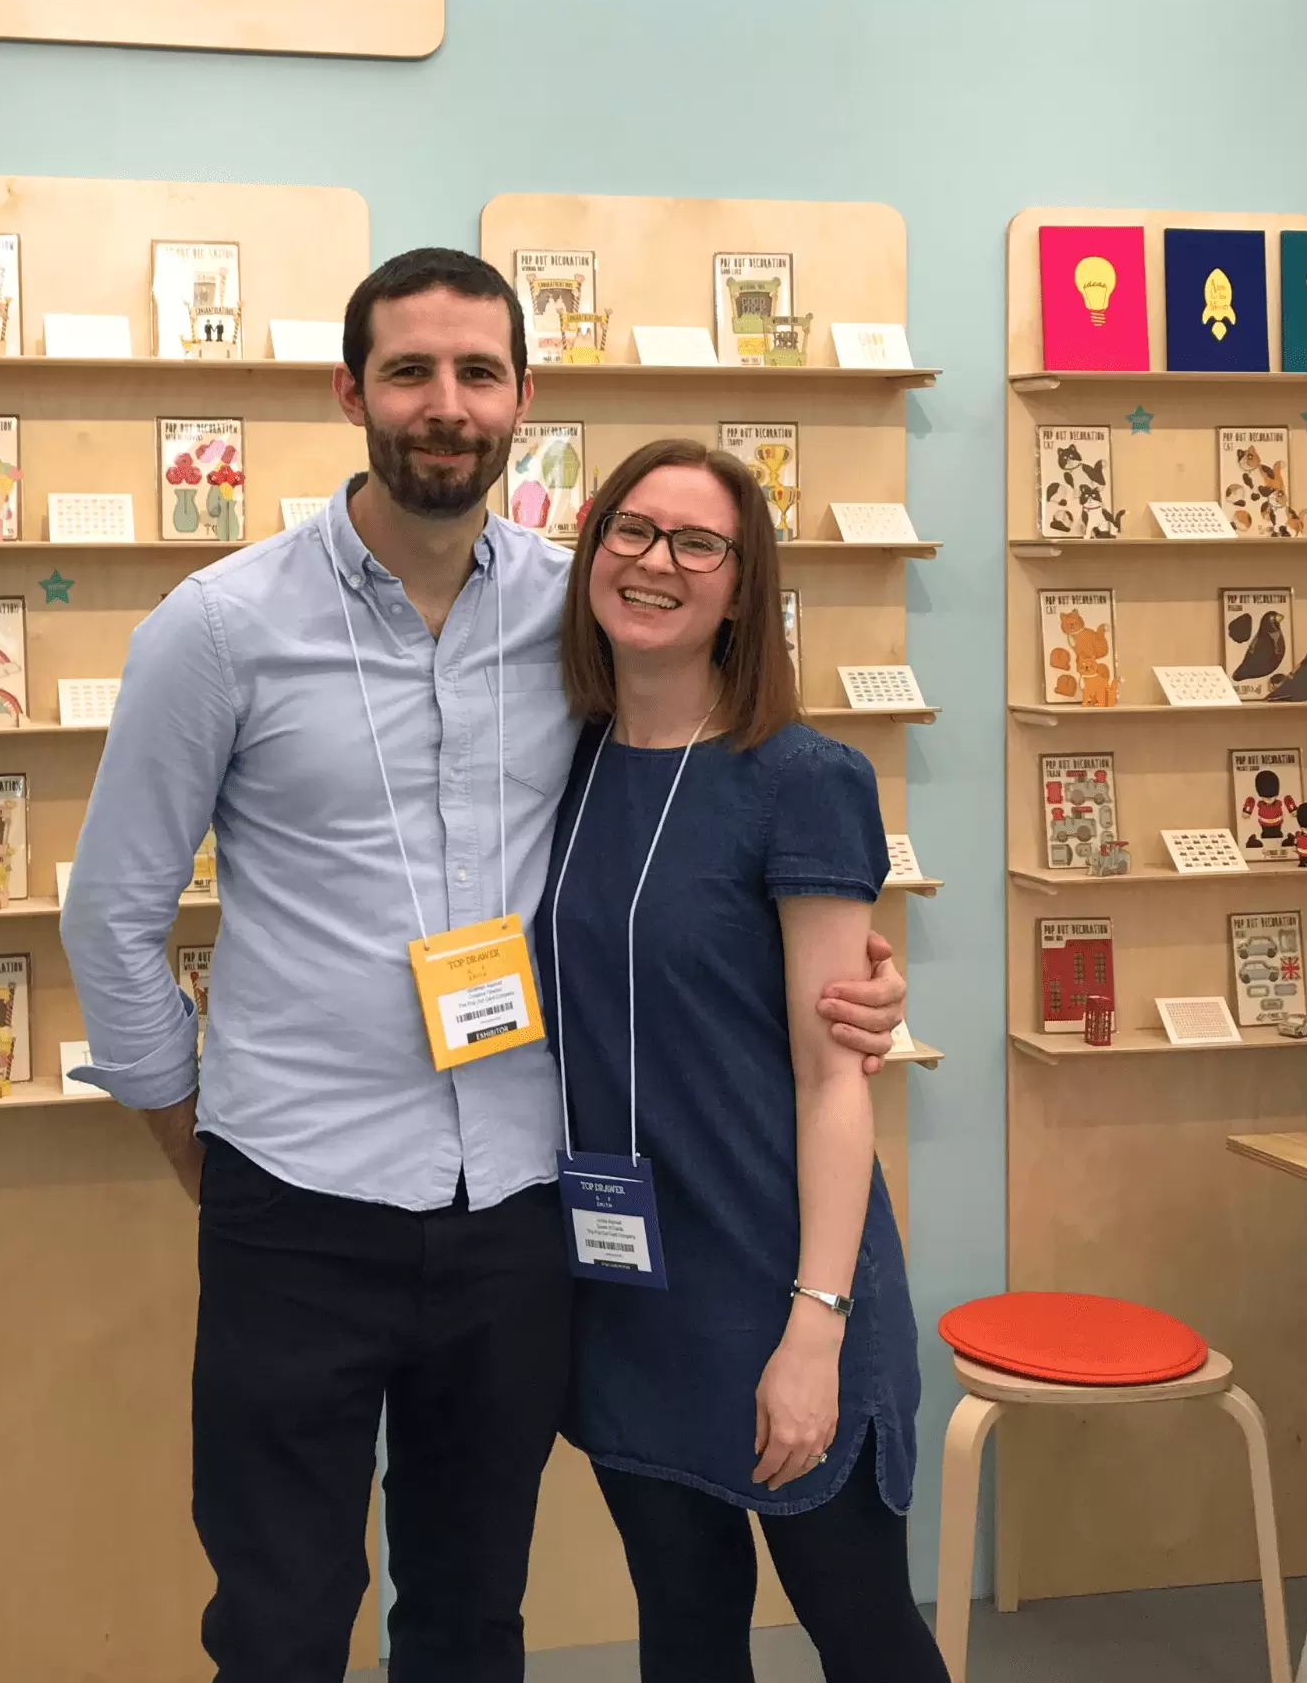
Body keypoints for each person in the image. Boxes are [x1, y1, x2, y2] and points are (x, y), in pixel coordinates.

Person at [61, 249, 910, 1683]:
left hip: (519, 1207)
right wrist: (185, 1131)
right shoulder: (218, 628)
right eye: (409, 371)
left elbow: (701, 810)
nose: (444, 405)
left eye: (476, 373)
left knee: (469, 1615)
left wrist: (851, 979)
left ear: (524, 400)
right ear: (350, 392)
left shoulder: (575, 611)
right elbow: (111, 912)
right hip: (298, 1196)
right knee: (278, 1617)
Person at [536, 437, 947, 1683]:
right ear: (591, 549)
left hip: (781, 1280)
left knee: (862, 1629)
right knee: (685, 1622)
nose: (655, 561)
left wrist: (813, 1327)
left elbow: (835, 1077)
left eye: (696, 542)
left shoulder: (803, 780)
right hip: (626, 1285)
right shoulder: (553, 764)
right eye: (630, 529)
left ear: (740, 583)